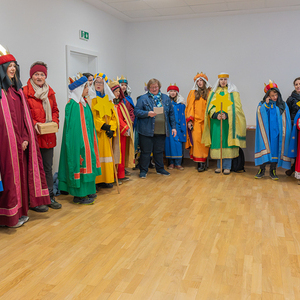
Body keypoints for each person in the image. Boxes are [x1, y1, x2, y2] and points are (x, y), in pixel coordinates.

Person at [0, 45, 50, 227]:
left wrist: (24, 138)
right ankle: (8, 217)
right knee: (7, 180)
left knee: (19, 179)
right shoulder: (1, 93)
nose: (12, 69)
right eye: (8, 66)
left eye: (14, 65)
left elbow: (21, 119)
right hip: (5, 146)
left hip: (20, 144)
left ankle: (20, 213)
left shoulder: (15, 91)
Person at [23, 61, 61, 211]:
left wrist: (54, 122)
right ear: (31, 75)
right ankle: (35, 201)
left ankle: (49, 197)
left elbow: (55, 110)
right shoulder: (25, 92)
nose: (39, 77)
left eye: (42, 74)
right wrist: (35, 125)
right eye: (36, 74)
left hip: (48, 136)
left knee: (47, 167)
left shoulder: (50, 93)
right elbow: (23, 113)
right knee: (33, 169)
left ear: (46, 76)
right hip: (33, 137)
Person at [58, 74, 101, 204]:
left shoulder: (84, 103)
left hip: (88, 141)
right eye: (85, 87)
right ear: (78, 89)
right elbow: (73, 129)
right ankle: (79, 195)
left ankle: (87, 191)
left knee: (88, 164)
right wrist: (81, 143)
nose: (88, 89)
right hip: (79, 143)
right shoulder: (73, 105)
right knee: (79, 164)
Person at [202, 73, 246, 175]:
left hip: (228, 122)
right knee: (218, 142)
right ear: (219, 81)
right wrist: (216, 114)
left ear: (227, 81)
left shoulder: (232, 92)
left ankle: (227, 166)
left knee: (227, 142)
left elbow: (237, 108)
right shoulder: (214, 92)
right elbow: (210, 107)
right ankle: (219, 166)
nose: (223, 81)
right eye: (221, 79)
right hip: (217, 122)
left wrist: (227, 114)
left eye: (225, 79)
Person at [134, 78, 177, 178]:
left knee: (158, 151)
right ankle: (143, 171)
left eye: (156, 87)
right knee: (146, 152)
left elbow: (171, 114)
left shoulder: (165, 98)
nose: (154, 89)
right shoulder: (143, 98)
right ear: (148, 88)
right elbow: (136, 111)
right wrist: (147, 113)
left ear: (159, 87)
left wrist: (173, 127)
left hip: (161, 130)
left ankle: (160, 169)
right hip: (146, 131)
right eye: (152, 87)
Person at [255, 80, 291, 179]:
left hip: (277, 133)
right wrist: (265, 105)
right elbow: (260, 115)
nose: (274, 97)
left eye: (276, 95)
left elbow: (285, 119)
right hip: (266, 133)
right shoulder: (262, 104)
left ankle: (273, 171)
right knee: (265, 148)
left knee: (275, 151)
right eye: (272, 95)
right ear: (268, 96)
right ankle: (261, 169)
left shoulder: (282, 105)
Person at [91, 73, 121, 188]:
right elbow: (92, 116)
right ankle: (97, 181)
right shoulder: (92, 98)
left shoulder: (109, 100)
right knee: (98, 156)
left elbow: (114, 117)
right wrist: (102, 125)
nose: (99, 85)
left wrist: (111, 128)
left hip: (106, 134)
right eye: (97, 82)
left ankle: (107, 179)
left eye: (101, 83)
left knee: (107, 157)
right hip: (97, 133)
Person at [108, 79, 135, 181]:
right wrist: (125, 126)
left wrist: (127, 127)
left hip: (123, 133)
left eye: (119, 92)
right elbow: (116, 118)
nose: (118, 93)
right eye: (116, 91)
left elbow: (125, 116)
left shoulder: (120, 104)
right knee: (116, 153)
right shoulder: (111, 105)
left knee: (122, 153)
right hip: (116, 133)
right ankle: (115, 175)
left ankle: (121, 174)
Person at [186, 73, 211, 172]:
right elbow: (190, 107)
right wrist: (190, 120)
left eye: (201, 81)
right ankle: (200, 163)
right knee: (197, 142)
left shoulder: (209, 92)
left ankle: (204, 162)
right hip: (196, 122)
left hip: (206, 122)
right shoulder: (193, 93)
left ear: (204, 82)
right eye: (198, 81)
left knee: (205, 143)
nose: (199, 83)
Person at [165, 84, 186, 170]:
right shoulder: (166, 102)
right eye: (171, 91)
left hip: (177, 126)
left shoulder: (180, 103)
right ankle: (171, 163)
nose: (172, 93)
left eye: (174, 91)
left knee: (177, 144)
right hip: (169, 126)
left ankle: (178, 163)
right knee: (169, 144)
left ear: (176, 93)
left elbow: (182, 115)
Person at [285, 77, 300, 176]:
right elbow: (286, 113)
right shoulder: (290, 99)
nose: (298, 86)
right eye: (296, 84)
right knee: (295, 147)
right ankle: (294, 167)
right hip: (294, 127)